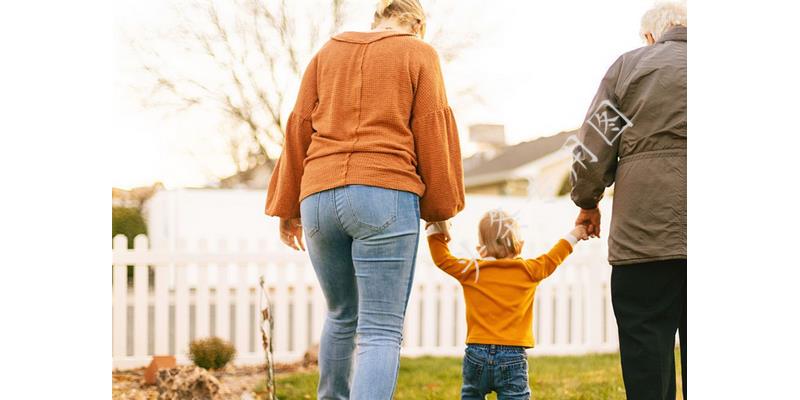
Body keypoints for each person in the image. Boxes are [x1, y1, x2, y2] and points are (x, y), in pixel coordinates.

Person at [264, 0, 465, 398]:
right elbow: (432, 129)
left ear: (376, 20)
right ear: (418, 23)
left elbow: (299, 125)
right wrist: (440, 208)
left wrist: (287, 207)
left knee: (341, 315)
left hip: (318, 197)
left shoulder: (328, 50)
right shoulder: (419, 52)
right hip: (384, 192)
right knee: (380, 329)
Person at [569, 2, 687, 399]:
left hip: (644, 235)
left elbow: (593, 146)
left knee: (645, 347)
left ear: (652, 35)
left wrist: (587, 201)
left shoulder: (629, 68)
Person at [426, 211, 588, 400]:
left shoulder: (471, 271)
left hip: (476, 353)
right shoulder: (529, 270)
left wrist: (434, 228)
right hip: (512, 355)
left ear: (480, 248)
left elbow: (442, 258)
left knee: (471, 396)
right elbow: (554, 256)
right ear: (520, 245)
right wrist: (576, 234)